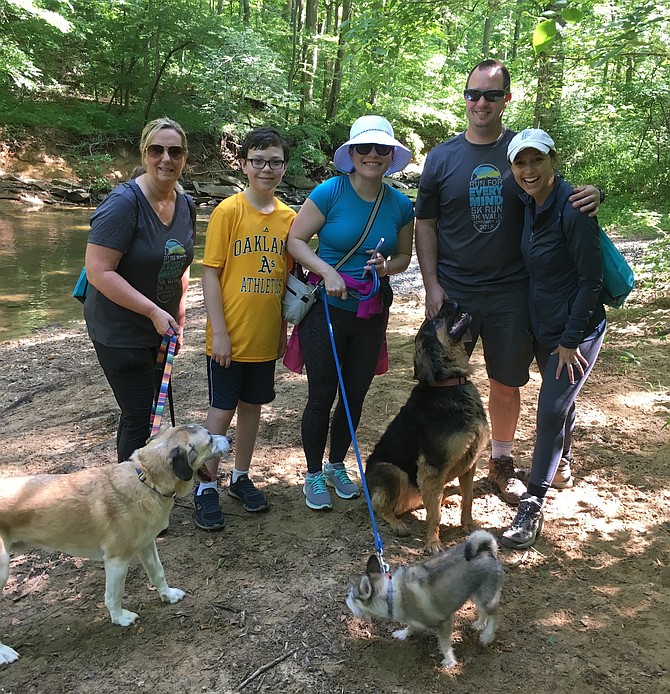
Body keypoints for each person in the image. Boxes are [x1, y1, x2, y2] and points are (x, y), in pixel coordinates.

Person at [414, 59, 603, 506]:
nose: (482, 102)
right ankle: (437, 464)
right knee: (441, 381)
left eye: (492, 95)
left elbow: (558, 194)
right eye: (474, 94)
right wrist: (431, 285)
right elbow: (425, 223)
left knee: (505, 381)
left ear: (507, 99)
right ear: (464, 98)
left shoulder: (520, 153)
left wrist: (596, 193)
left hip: (511, 293)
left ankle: (500, 461)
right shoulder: (441, 158)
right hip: (454, 290)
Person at [286, 115, 415, 511]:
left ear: (391, 156)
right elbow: (295, 240)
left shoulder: (400, 204)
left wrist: (385, 267)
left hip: (370, 313)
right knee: (321, 394)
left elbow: (404, 256)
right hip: (326, 307)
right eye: (364, 148)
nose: (372, 156)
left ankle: (336, 465)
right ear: (352, 153)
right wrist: (326, 271)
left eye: (381, 149)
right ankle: (312, 474)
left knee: (354, 395)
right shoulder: (330, 192)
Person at [500, 128, 606, 548]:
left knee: (549, 410)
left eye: (536, 160)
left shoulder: (574, 208)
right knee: (562, 401)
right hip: (545, 327)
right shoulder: (529, 202)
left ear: (552, 161)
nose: (529, 170)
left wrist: (569, 339)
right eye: (520, 162)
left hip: (575, 332)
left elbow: (591, 279)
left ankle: (533, 502)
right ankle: (561, 466)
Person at [192, 127, 296, 531]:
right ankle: (205, 486)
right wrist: (218, 331)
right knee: (220, 411)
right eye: (258, 160)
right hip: (228, 338)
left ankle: (240, 476)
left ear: (284, 168)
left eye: (274, 161)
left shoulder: (289, 218)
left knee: (253, 408)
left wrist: (283, 332)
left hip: (264, 337)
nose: (266, 168)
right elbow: (211, 273)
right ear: (244, 165)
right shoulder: (228, 211)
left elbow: (287, 280)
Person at [85, 117, 195, 463]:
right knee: (139, 415)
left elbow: (181, 261)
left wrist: (179, 312)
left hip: (160, 326)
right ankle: (127, 501)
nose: (166, 158)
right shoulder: (123, 204)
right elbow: (98, 271)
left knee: (149, 412)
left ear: (185, 157)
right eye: (157, 150)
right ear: (144, 154)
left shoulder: (185, 204)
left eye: (174, 151)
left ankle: (141, 488)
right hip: (119, 327)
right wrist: (151, 310)